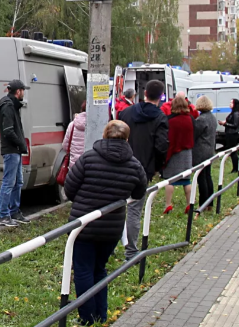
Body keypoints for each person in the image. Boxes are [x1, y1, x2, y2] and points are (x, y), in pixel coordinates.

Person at [64, 120, 147, 326]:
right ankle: (101, 315)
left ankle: (87, 318)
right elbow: (139, 192)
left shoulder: (88, 158)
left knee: (83, 270)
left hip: (83, 225)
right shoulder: (134, 164)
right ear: (127, 138)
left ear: (104, 135)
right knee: (100, 268)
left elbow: (69, 189)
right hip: (112, 227)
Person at [118, 80, 169, 260]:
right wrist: (156, 167)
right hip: (143, 169)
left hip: (120, 165)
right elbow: (162, 146)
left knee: (113, 207)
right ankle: (131, 250)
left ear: (144, 93)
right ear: (161, 96)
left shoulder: (125, 113)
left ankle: (108, 247)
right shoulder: (161, 118)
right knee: (134, 209)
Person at [0, 79, 31, 227]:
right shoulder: (8, 107)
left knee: (18, 181)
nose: (24, 93)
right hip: (11, 150)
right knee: (9, 182)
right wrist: (21, 143)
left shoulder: (12, 105)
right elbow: (8, 131)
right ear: (18, 91)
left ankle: (15, 212)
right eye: (23, 90)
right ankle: (3, 216)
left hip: (15, 150)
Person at [162, 96, 196, 214]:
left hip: (174, 152)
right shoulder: (190, 119)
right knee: (186, 180)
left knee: (170, 180)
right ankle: (189, 204)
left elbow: (169, 139)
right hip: (187, 153)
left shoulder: (169, 120)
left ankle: (168, 205)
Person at [193, 96, 217, 212]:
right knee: (208, 176)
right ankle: (210, 203)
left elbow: (195, 134)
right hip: (209, 150)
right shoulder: (212, 117)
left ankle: (203, 203)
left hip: (201, 151)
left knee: (201, 178)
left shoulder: (201, 119)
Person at [218, 98, 239, 174]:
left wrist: (225, 124)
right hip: (229, 133)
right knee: (231, 151)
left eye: (232, 102)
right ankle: (235, 167)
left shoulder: (236, 113)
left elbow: (235, 125)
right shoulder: (233, 113)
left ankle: (236, 167)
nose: (230, 104)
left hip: (233, 134)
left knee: (233, 151)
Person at [62, 101, 87, 170]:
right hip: (90, 167)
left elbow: (65, 146)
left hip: (74, 167)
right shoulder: (96, 126)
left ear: (81, 110)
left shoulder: (72, 125)